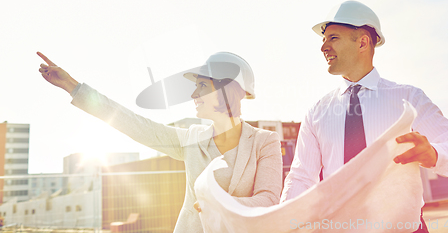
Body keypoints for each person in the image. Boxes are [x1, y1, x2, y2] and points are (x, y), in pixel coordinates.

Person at [280, 1, 448, 232]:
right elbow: (302, 177)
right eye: (324, 40)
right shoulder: (316, 112)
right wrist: (284, 223)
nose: (323, 47)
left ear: (363, 42)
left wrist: (434, 154)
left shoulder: (408, 99)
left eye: (333, 38)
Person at [37, 51, 282, 233]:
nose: (193, 95)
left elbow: (268, 199)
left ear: (227, 90)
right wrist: (72, 86)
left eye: (202, 86)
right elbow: (133, 123)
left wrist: (218, 203)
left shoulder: (264, 142)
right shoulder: (191, 139)